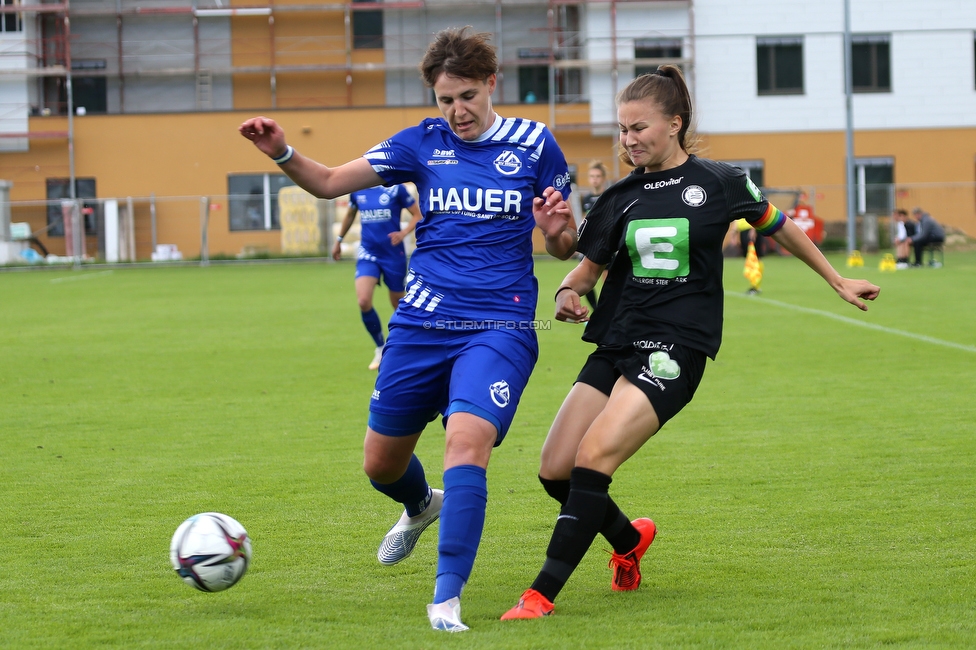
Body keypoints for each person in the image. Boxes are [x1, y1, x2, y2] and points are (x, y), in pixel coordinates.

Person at [500, 65, 880, 621]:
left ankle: (540, 595)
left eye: (639, 127)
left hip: (677, 346)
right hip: (616, 341)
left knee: (593, 457)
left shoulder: (721, 181)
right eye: (623, 130)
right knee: (555, 469)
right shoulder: (619, 196)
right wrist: (565, 290)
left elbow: (778, 225)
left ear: (674, 124)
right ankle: (628, 541)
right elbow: (585, 269)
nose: (629, 140)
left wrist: (837, 278)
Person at [240, 26, 577, 633]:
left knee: (466, 445)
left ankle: (446, 599)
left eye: (468, 95)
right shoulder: (420, 142)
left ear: (491, 83)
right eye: (446, 99)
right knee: (380, 465)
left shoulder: (536, 144)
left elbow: (562, 244)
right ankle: (420, 507)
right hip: (420, 323)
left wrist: (555, 228)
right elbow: (329, 183)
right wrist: (283, 153)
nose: (458, 111)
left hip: (497, 324)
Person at [331, 184, 423, 369]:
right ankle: (380, 347)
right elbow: (350, 215)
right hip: (368, 253)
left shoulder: (396, 189)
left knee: (399, 304)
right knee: (363, 301)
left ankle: (409, 347)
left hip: (393, 255)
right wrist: (339, 240)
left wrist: (404, 233)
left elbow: (418, 215)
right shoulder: (358, 190)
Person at [577, 160, 611, 308]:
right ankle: (596, 309)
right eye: (592, 176)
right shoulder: (586, 198)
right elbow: (585, 220)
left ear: (603, 178)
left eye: (597, 176)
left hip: (608, 243)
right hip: (591, 245)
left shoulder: (609, 195)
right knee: (583, 279)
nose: (594, 179)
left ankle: (609, 309)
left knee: (608, 282)